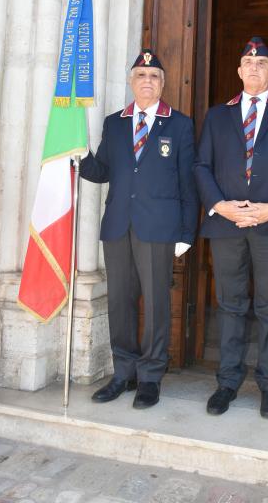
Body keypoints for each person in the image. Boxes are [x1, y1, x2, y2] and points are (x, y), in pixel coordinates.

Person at [195, 36, 268, 418]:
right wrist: (219, 206)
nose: (254, 68)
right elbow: (201, 167)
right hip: (227, 225)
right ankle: (227, 382)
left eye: (261, 63)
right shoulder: (217, 115)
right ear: (239, 71)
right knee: (230, 305)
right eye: (248, 63)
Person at [80, 49, 199, 409]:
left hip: (159, 229)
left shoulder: (179, 124)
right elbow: (103, 171)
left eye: (153, 76)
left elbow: (187, 183)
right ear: (131, 82)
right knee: (120, 302)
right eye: (140, 75)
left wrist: (185, 233)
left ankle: (150, 376)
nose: (147, 81)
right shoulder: (114, 123)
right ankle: (124, 373)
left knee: (157, 303)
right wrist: (79, 157)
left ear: (162, 84)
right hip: (118, 225)